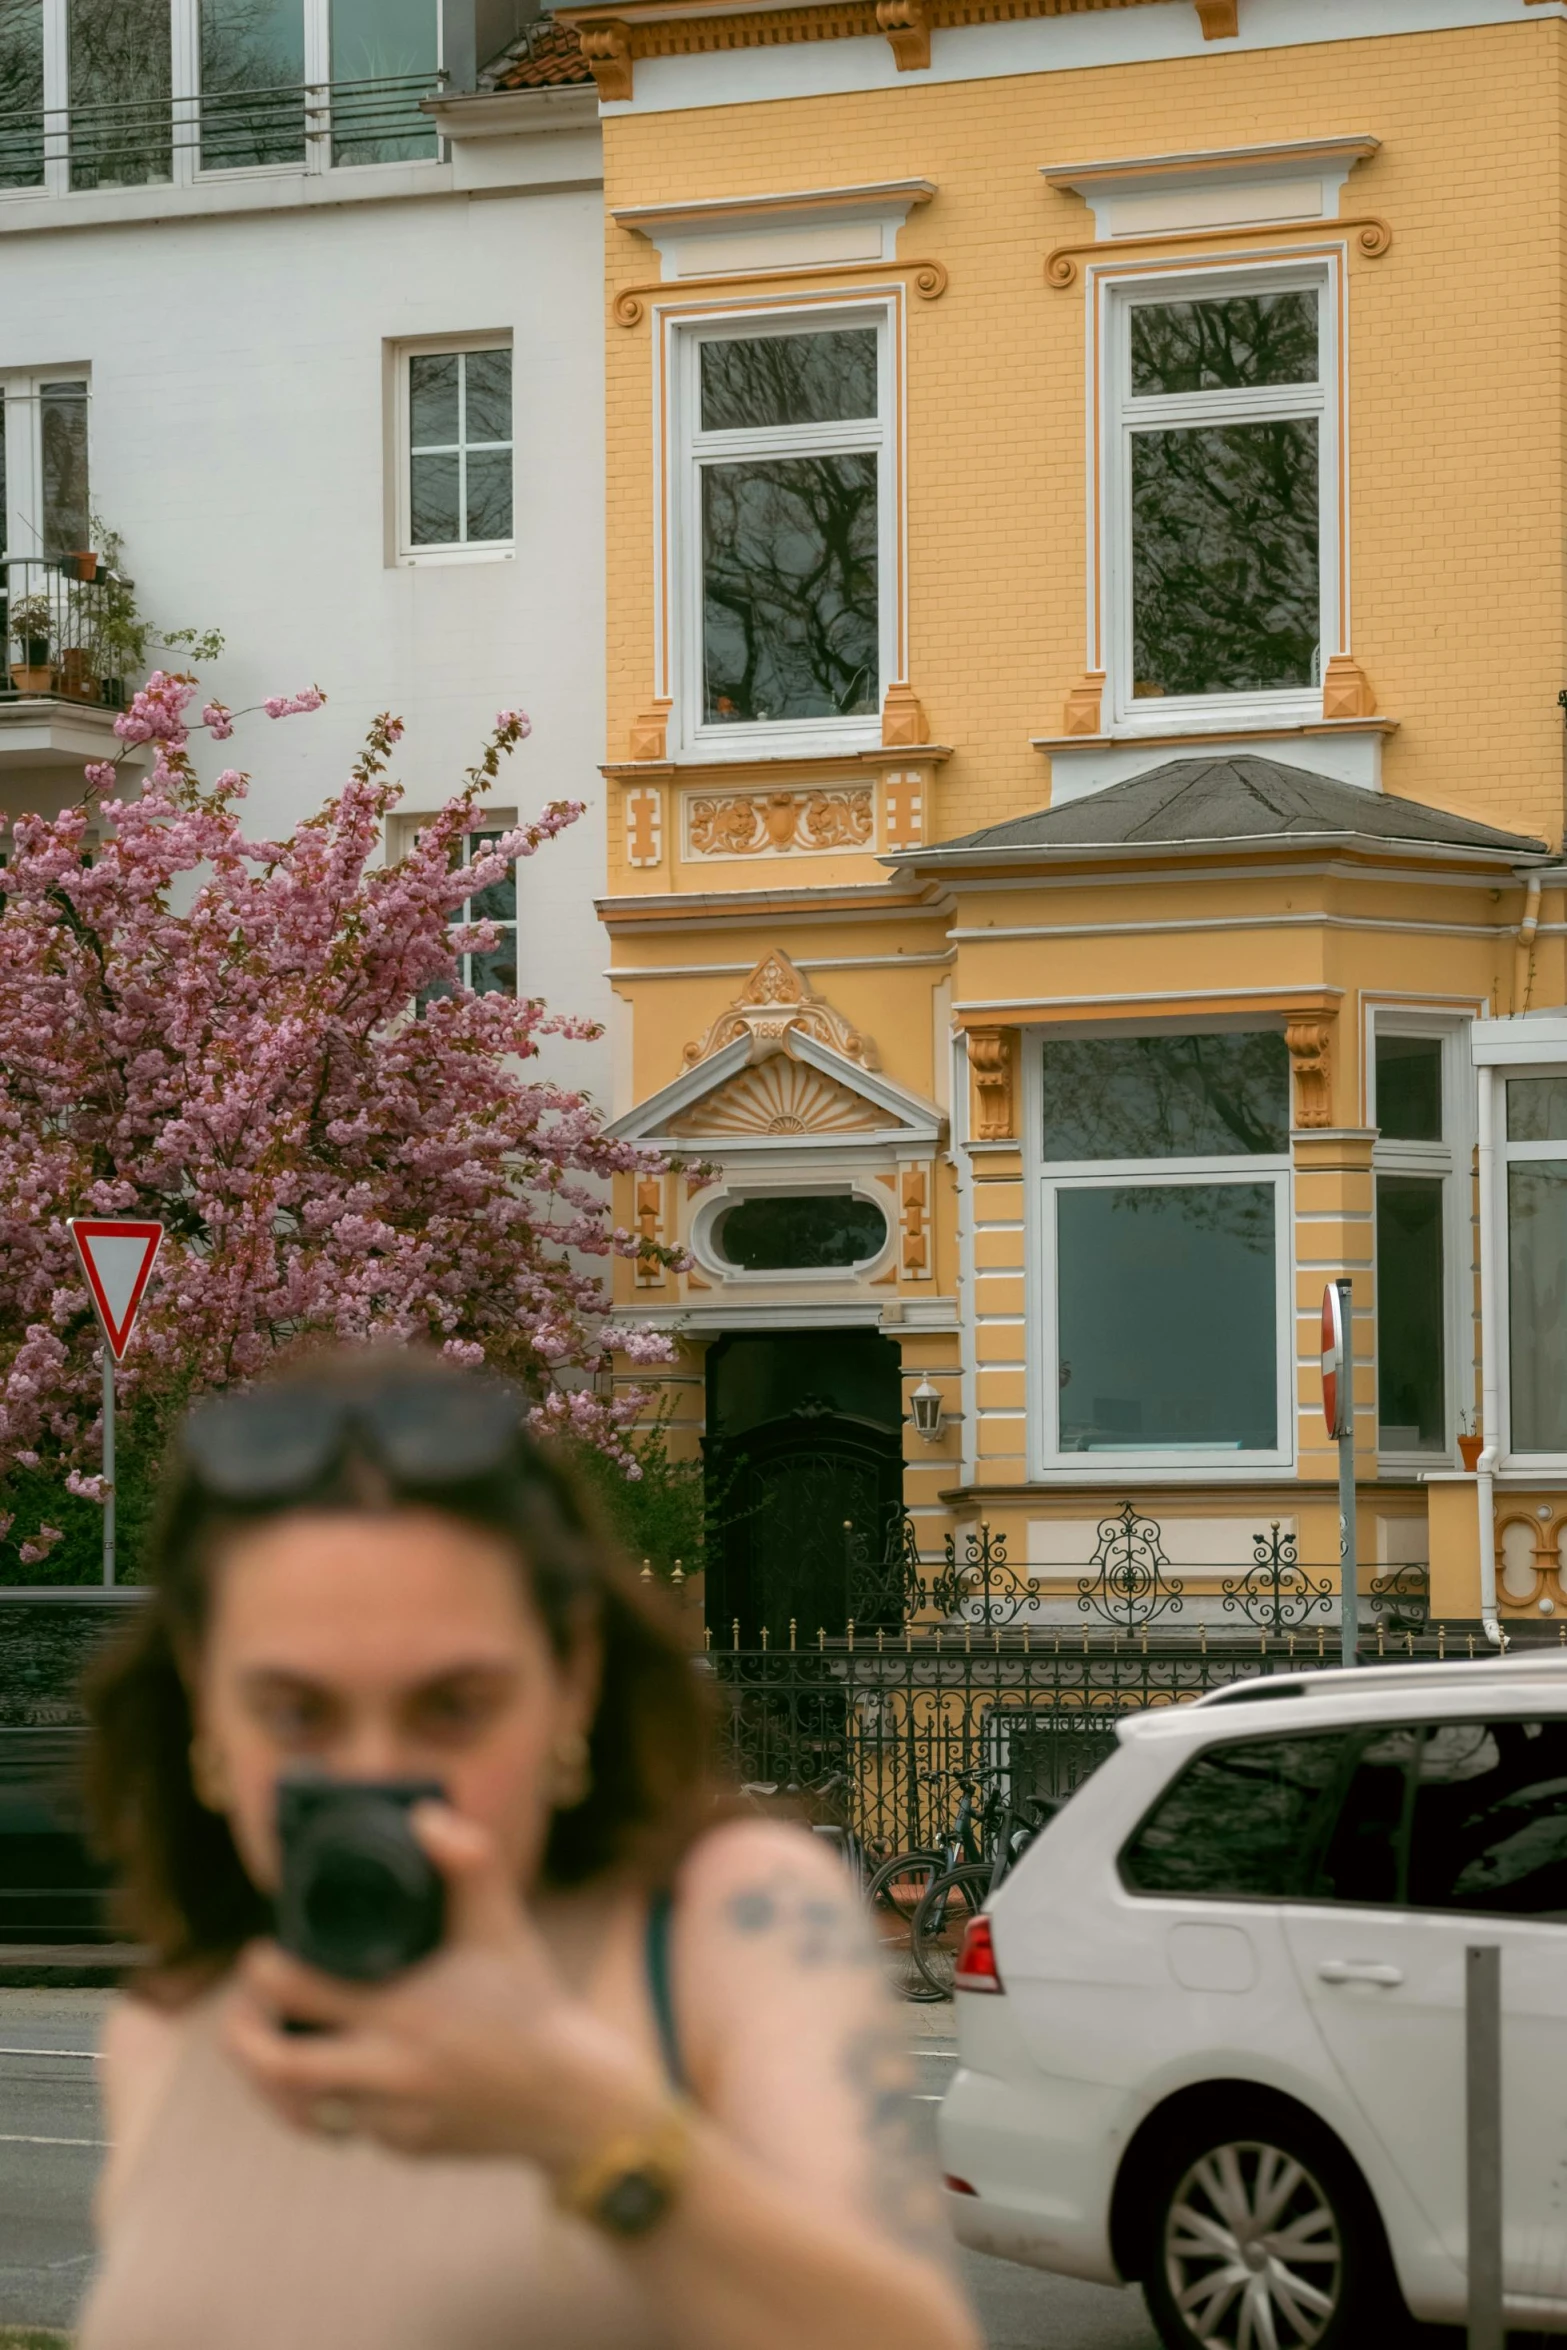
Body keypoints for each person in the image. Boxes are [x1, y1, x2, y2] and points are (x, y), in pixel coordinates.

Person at [76, 1349, 981, 2350]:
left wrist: (586, 2130)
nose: (376, 1775)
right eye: (295, 1712)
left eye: (455, 1707)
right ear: (205, 1715)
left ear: (572, 1685)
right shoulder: (165, 2026)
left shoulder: (729, 1929)